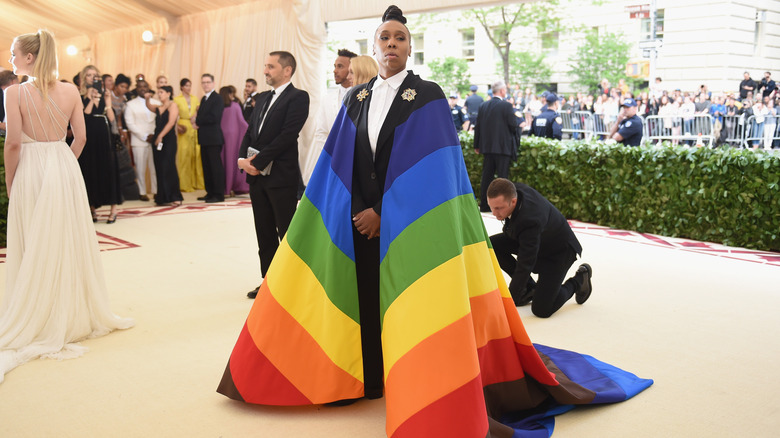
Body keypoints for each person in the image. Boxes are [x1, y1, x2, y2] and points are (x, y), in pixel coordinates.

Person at [217, 6, 652, 436]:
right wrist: (346, 214)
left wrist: (384, 214)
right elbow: (339, 163)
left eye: (400, 38)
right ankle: (373, 378)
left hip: (411, 225)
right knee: (365, 297)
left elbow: (437, 172)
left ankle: (417, 379)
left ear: (410, 47)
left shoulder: (428, 96)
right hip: (358, 223)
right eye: (384, 37)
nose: (391, 43)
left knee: (412, 302)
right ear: (375, 45)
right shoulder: (358, 97)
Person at [0, 29, 133, 384]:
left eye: (14, 53)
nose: (11, 58)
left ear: (30, 58)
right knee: (64, 240)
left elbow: (13, 143)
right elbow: (83, 136)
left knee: (32, 239)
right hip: (63, 166)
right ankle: (69, 311)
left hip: (30, 167)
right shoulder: (71, 90)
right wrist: (63, 164)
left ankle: (38, 314)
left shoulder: (14, 92)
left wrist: (12, 181)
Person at [237, 51, 309, 299]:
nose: (265, 70)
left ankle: (292, 284)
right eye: (265, 66)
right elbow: (250, 132)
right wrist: (242, 160)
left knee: (286, 232)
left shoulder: (299, 97)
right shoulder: (263, 97)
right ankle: (268, 282)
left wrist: (259, 161)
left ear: (286, 70)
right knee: (264, 232)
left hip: (281, 176)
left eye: (270, 66)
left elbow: (288, 135)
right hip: (256, 177)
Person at [486, 178, 591, 315]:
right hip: (534, 238)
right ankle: (529, 289)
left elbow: (525, 264)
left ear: (513, 201)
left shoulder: (530, 221)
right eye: (491, 207)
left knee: (542, 310)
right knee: (491, 246)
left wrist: (509, 305)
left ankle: (578, 281)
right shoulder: (513, 190)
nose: (494, 213)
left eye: (499, 208)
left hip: (559, 252)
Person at [301, 49, 358, 186]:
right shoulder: (328, 99)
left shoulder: (362, 97)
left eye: (340, 66)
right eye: (334, 66)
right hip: (332, 162)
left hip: (356, 162)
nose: (334, 70)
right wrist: (332, 155)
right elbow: (321, 131)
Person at [77, 64, 122, 223]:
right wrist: (91, 98)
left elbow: (111, 118)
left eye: (95, 75)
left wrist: (107, 101)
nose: (92, 78)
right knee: (90, 169)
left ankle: (113, 209)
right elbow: (84, 117)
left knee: (108, 168)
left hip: (104, 135)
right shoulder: (80, 95)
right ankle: (92, 208)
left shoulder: (105, 94)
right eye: (89, 75)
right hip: (89, 136)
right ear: (84, 78)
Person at [473, 79, 518, 212]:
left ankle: (485, 205)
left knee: (486, 176)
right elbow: (513, 126)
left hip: (487, 147)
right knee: (503, 178)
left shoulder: (483, 106)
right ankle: (503, 206)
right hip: (503, 148)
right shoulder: (507, 106)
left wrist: (477, 145)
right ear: (502, 91)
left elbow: (478, 127)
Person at [144, 85, 183, 206]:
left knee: (169, 166)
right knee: (159, 167)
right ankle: (162, 197)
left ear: (168, 93)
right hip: (157, 140)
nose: (159, 94)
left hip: (168, 139)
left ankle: (175, 196)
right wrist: (147, 99)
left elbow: (171, 123)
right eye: (158, 92)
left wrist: (161, 135)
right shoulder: (159, 107)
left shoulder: (173, 105)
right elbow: (149, 106)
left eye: (161, 92)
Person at [193, 73, 225, 203]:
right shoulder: (203, 99)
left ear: (213, 83)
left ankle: (218, 194)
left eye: (208, 82)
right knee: (206, 166)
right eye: (203, 82)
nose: (205, 84)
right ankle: (210, 192)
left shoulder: (217, 98)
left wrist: (197, 120)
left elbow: (214, 117)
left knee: (215, 167)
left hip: (213, 138)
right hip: (204, 138)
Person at [124, 79, 157, 201]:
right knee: (140, 168)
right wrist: (144, 136)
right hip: (139, 141)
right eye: (140, 87)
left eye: (145, 86)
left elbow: (159, 120)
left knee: (154, 167)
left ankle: (156, 190)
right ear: (136, 89)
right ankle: (142, 191)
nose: (142, 88)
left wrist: (154, 135)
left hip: (154, 140)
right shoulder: (131, 104)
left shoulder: (156, 102)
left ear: (148, 88)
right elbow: (130, 123)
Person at [173, 78, 204, 192]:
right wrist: (177, 126)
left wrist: (196, 116)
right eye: (186, 86)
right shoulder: (176, 99)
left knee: (196, 155)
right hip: (183, 125)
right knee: (184, 155)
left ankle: (199, 183)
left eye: (190, 85)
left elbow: (199, 110)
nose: (188, 88)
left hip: (195, 127)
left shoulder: (195, 98)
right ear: (181, 87)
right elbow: (172, 115)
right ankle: (184, 184)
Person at [219, 85, 249, 196]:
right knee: (232, 162)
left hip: (220, 136)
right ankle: (232, 186)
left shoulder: (219, 106)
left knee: (223, 162)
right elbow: (242, 122)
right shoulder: (235, 106)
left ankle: (224, 188)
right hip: (233, 137)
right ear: (230, 94)